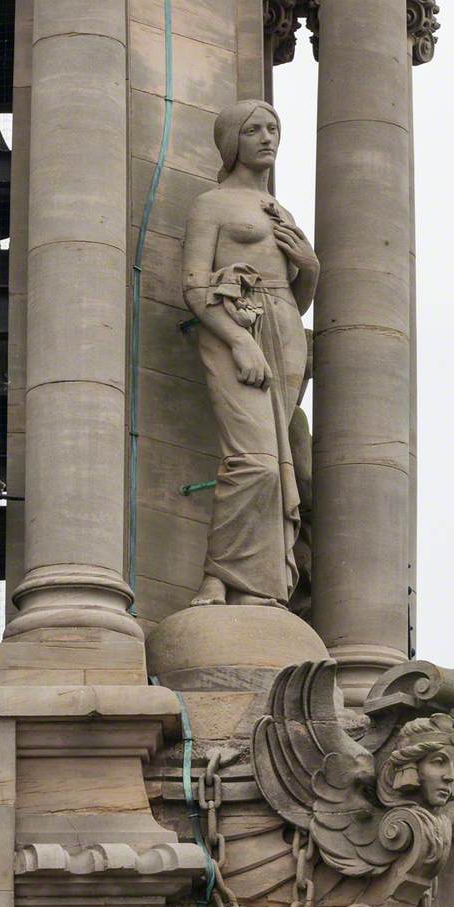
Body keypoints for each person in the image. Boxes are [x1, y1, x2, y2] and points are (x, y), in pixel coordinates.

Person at [182, 100, 319, 607]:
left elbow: (298, 297)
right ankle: (219, 576)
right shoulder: (212, 204)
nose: (267, 138)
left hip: (285, 332)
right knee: (255, 462)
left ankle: (260, 587)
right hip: (237, 327)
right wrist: (238, 342)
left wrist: (311, 266)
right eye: (254, 129)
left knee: (279, 462)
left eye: (273, 129)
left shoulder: (281, 213)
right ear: (231, 141)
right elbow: (194, 288)